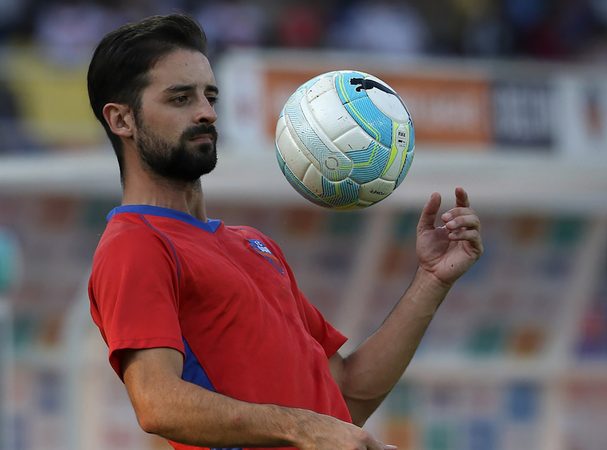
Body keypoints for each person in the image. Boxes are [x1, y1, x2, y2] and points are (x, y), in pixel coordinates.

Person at [86, 14, 483, 450]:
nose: (206, 112)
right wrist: (303, 428)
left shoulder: (253, 244)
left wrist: (431, 279)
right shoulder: (136, 244)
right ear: (122, 120)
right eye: (180, 98)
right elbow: (157, 403)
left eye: (210, 96)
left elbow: (346, 395)